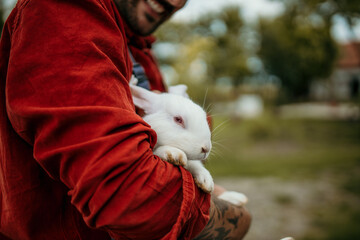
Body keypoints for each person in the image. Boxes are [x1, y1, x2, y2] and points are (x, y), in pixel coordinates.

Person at [0, 0, 251, 239]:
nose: (173, 3)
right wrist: (236, 221)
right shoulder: (64, 13)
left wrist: (206, 187)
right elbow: (127, 192)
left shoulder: (137, 48)